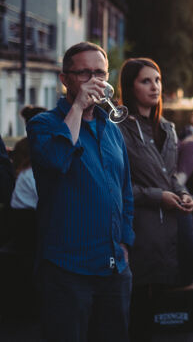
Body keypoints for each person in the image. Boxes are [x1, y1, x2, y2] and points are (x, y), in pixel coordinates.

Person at [26, 41, 134, 341]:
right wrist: (77, 107)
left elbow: (124, 188)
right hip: (67, 270)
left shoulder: (111, 127)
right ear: (65, 79)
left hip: (114, 269)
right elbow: (58, 159)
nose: (94, 81)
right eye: (84, 73)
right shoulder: (43, 124)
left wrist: (125, 241)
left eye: (100, 73)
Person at [117, 58, 193, 340]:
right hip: (142, 229)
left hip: (174, 227)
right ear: (130, 87)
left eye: (158, 80)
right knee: (139, 305)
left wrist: (183, 193)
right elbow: (118, 185)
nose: (155, 87)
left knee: (170, 307)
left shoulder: (168, 128)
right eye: (145, 81)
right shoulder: (119, 130)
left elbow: (171, 175)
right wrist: (156, 197)